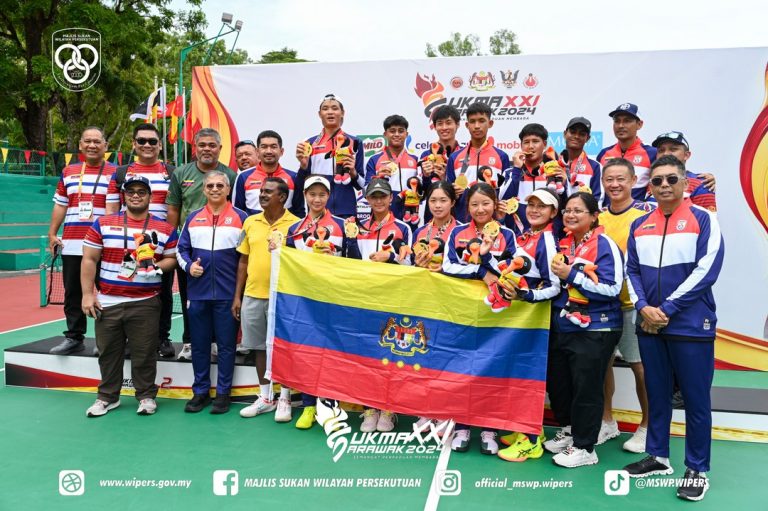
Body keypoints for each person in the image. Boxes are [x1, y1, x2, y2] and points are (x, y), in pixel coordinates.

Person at [623, 155, 724, 502]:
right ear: (649, 186)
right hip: (649, 323)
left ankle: (697, 468)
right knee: (658, 391)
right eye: (657, 180)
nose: (664, 185)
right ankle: (659, 456)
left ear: (684, 183)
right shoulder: (640, 225)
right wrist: (642, 308)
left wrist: (665, 309)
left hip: (691, 324)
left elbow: (707, 270)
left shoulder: (704, 219)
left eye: (671, 179)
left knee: (696, 399)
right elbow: (631, 270)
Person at [81, 175, 178, 417]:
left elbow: (172, 258)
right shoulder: (102, 223)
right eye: (131, 191)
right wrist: (87, 294)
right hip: (108, 301)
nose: (136, 195)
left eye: (141, 191)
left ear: (150, 196)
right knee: (108, 353)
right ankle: (107, 397)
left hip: (145, 302)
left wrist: (157, 268)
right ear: (124, 194)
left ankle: (145, 396)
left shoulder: (164, 227)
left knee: (144, 353)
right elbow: (89, 259)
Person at [545, 191, 623, 468]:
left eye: (578, 210)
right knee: (560, 384)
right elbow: (558, 286)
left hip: (597, 327)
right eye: (567, 210)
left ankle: (585, 447)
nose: (571, 215)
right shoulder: (565, 244)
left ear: (593, 217)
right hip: (564, 325)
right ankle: (569, 431)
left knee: (586, 388)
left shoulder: (605, 244)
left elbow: (613, 288)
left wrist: (572, 275)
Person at [442, 182, 517, 456]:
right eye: (474, 204)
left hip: (496, 313)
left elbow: (514, 267)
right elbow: (448, 266)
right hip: (462, 311)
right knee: (463, 367)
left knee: (491, 367)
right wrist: (479, 272)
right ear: (467, 207)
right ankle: (461, 426)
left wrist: (489, 263)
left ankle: (489, 428)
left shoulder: (508, 233)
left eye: (485, 203)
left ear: (494, 203)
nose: (480, 209)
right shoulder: (457, 233)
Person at [496, 188, 561, 462]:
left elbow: (555, 286)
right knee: (521, 375)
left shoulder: (547, 240)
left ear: (553, 213)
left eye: (542, 206)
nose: (534, 210)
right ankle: (530, 431)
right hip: (522, 317)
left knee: (530, 378)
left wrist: (527, 295)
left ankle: (531, 441)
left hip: (537, 318)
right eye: (531, 204)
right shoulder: (526, 236)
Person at [176, 171, 247, 414]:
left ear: (228, 190)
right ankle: (201, 392)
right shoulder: (193, 218)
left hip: (228, 295)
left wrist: (239, 294)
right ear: (204, 190)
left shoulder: (242, 218)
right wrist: (188, 266)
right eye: (210, 186)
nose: (215, 189)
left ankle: (223, 394)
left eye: (220, 185)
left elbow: (245, 259)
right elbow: (180, 250)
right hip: (198, 294)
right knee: (199, 345)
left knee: (227, 346)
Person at [286, 175, 353, 429]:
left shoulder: (342, 225)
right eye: (312, 194)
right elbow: (288, 263)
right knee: (306, 355)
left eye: (322, 194)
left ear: (329, 197)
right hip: (303, 302)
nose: (317, 199)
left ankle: (330, 409)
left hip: (332, 299)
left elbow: (353, 261)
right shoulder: (295, 229)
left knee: (332, 355)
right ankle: (308, 405)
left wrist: (334, 256)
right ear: (305, 196)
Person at [597, 158, 654, 453]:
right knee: (602, 365)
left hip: (634, 304)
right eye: (609, 179)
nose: (615, 185)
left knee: (640, 367)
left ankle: (647, 427)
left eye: (621, 179)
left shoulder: (646, 215)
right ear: (603, 183)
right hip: (603, 305)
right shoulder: (598, 218)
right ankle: (607, 422)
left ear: (633, 180)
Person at [346, 179, 412, 433]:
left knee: (390, 356)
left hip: (393, 300)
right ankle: (369, 408)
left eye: (382, 196)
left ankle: (388, 408)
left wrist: (391, 256)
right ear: (367, 199)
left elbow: (412, 264)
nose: (378, 201)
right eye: (373, 196)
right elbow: (349, 261)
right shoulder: (357, 227)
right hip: (362, 300)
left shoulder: (404, 227)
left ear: (391, 198)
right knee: (366, 355)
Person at [167, 128, 238, 362]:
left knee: (223, 301)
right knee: (191, 299)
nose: (207, 149)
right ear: (194, 148)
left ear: (219, 148)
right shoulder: (181, 173)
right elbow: (174, 209)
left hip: (222, 250)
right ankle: (189, 342)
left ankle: (218, 343)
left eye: (212, 145)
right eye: (202, 145)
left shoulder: (230, 175)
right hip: (191, 249)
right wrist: (174, 243)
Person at [106, 123, 176, 359]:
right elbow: (112, 209)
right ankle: (124, 337)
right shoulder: (121, 173)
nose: (147, 145)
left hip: (161, 242)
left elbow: (176, 207)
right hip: (125, 242)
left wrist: (171, 241)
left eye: (152, 141)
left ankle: (162, 337)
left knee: (163, 292)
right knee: (126, 287)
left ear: (159, 145)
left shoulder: (171, 171)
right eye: (142, 141)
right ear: (134, 144)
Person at [234, 178, 299, 422]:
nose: (262, 195)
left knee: (283, 349)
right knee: (259, 348)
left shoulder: (295, 224)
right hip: (252, 295)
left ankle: (285, 397)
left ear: (282, 197)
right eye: (261, 191)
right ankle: (265, 397)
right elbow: (242, 261)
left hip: (283, 298)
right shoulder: (250, 222)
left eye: (268, 192)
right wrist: (238, 296)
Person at [48, 126, 116, 355]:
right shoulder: (69, 172)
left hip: (105, 246)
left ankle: (105, 339)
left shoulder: (116, 173)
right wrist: (52, 233)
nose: (92, 145)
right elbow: (60, 204)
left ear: (106, 146)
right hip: (73, 244)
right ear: (80, 145)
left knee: (106, 292)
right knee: (73, 293)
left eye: (97, 141)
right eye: (87, 141)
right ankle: (74, 337)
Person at [294, 94, 364, 218]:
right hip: (317, 209)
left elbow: (361, 185)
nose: (330, 112)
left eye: (335, 108)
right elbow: (300, 185)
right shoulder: (309, 143)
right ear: (319, 114)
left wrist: (353, 172)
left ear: (342, 113)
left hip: (346, 210)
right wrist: (303, 166)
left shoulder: (355, 142)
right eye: (325, 108)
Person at [446, 103, 509, 223]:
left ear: (490, 123)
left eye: (481, 121)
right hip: (463, 221)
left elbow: (504, 193)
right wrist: (454, 191)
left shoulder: (502, 157)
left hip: (493, 223)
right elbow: (448, 195)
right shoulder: (455, 157)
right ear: (466, 125)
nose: (477, 126)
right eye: (472, 121)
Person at [499, 123, 567, 235]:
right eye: (526, 142)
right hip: (518, 238)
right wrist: (516, 169)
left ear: (544, 144)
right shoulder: (511, 172)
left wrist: (565, 185)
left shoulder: (554, 172)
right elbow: (503, 202)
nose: (530, 146)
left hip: (548, 237)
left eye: (535, 141)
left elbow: (563, 206)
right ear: (521, 146)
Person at [364, 115, 421, 226]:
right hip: (382, 213)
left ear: (406, 134)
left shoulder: (415, 159)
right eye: (392, 131)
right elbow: (366, 189)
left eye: (400, 131)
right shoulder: (374, 160)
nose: (396, 134)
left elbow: (421, 191)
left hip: (408, 213)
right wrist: (377, 178)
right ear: (385, 134)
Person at [233, 130, 304, 218]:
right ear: (257, 151)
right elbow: (237, 213)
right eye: (264, 147)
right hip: (254, 231)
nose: (269, 151)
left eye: (273, 147)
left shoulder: (293, 177)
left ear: (281, 151)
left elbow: (300, 211)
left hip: (285, 231)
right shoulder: (243, 177)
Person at [596, 103, 656, 201]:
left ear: (639, 124)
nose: (621, 125)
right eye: (617, 121)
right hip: (607, 214)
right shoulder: (604, 153)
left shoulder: (652, 153)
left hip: (638, 214)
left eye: (627, 121)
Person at [650, 131, 717, 211]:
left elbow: (707, 220)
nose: (666, 153)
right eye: (661, 150)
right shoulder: (651, 180)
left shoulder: (702, 183)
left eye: (673, 149)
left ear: (686, 155)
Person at [560, 117, 602, 203]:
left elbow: (597, 200)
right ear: (565, 134)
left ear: (588, 138)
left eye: (582, 134)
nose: (576, 136)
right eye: (572, 132)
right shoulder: (554, 162)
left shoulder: (595, 166)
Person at [419, 105, 463, 183]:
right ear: (435, 127)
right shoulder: (426, 155)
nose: (444, 128)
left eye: (448, 123)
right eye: (440, 124)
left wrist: (445, 179)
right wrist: (426, 176)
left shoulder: (464, 154)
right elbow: (422, 190)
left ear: (457, 124)